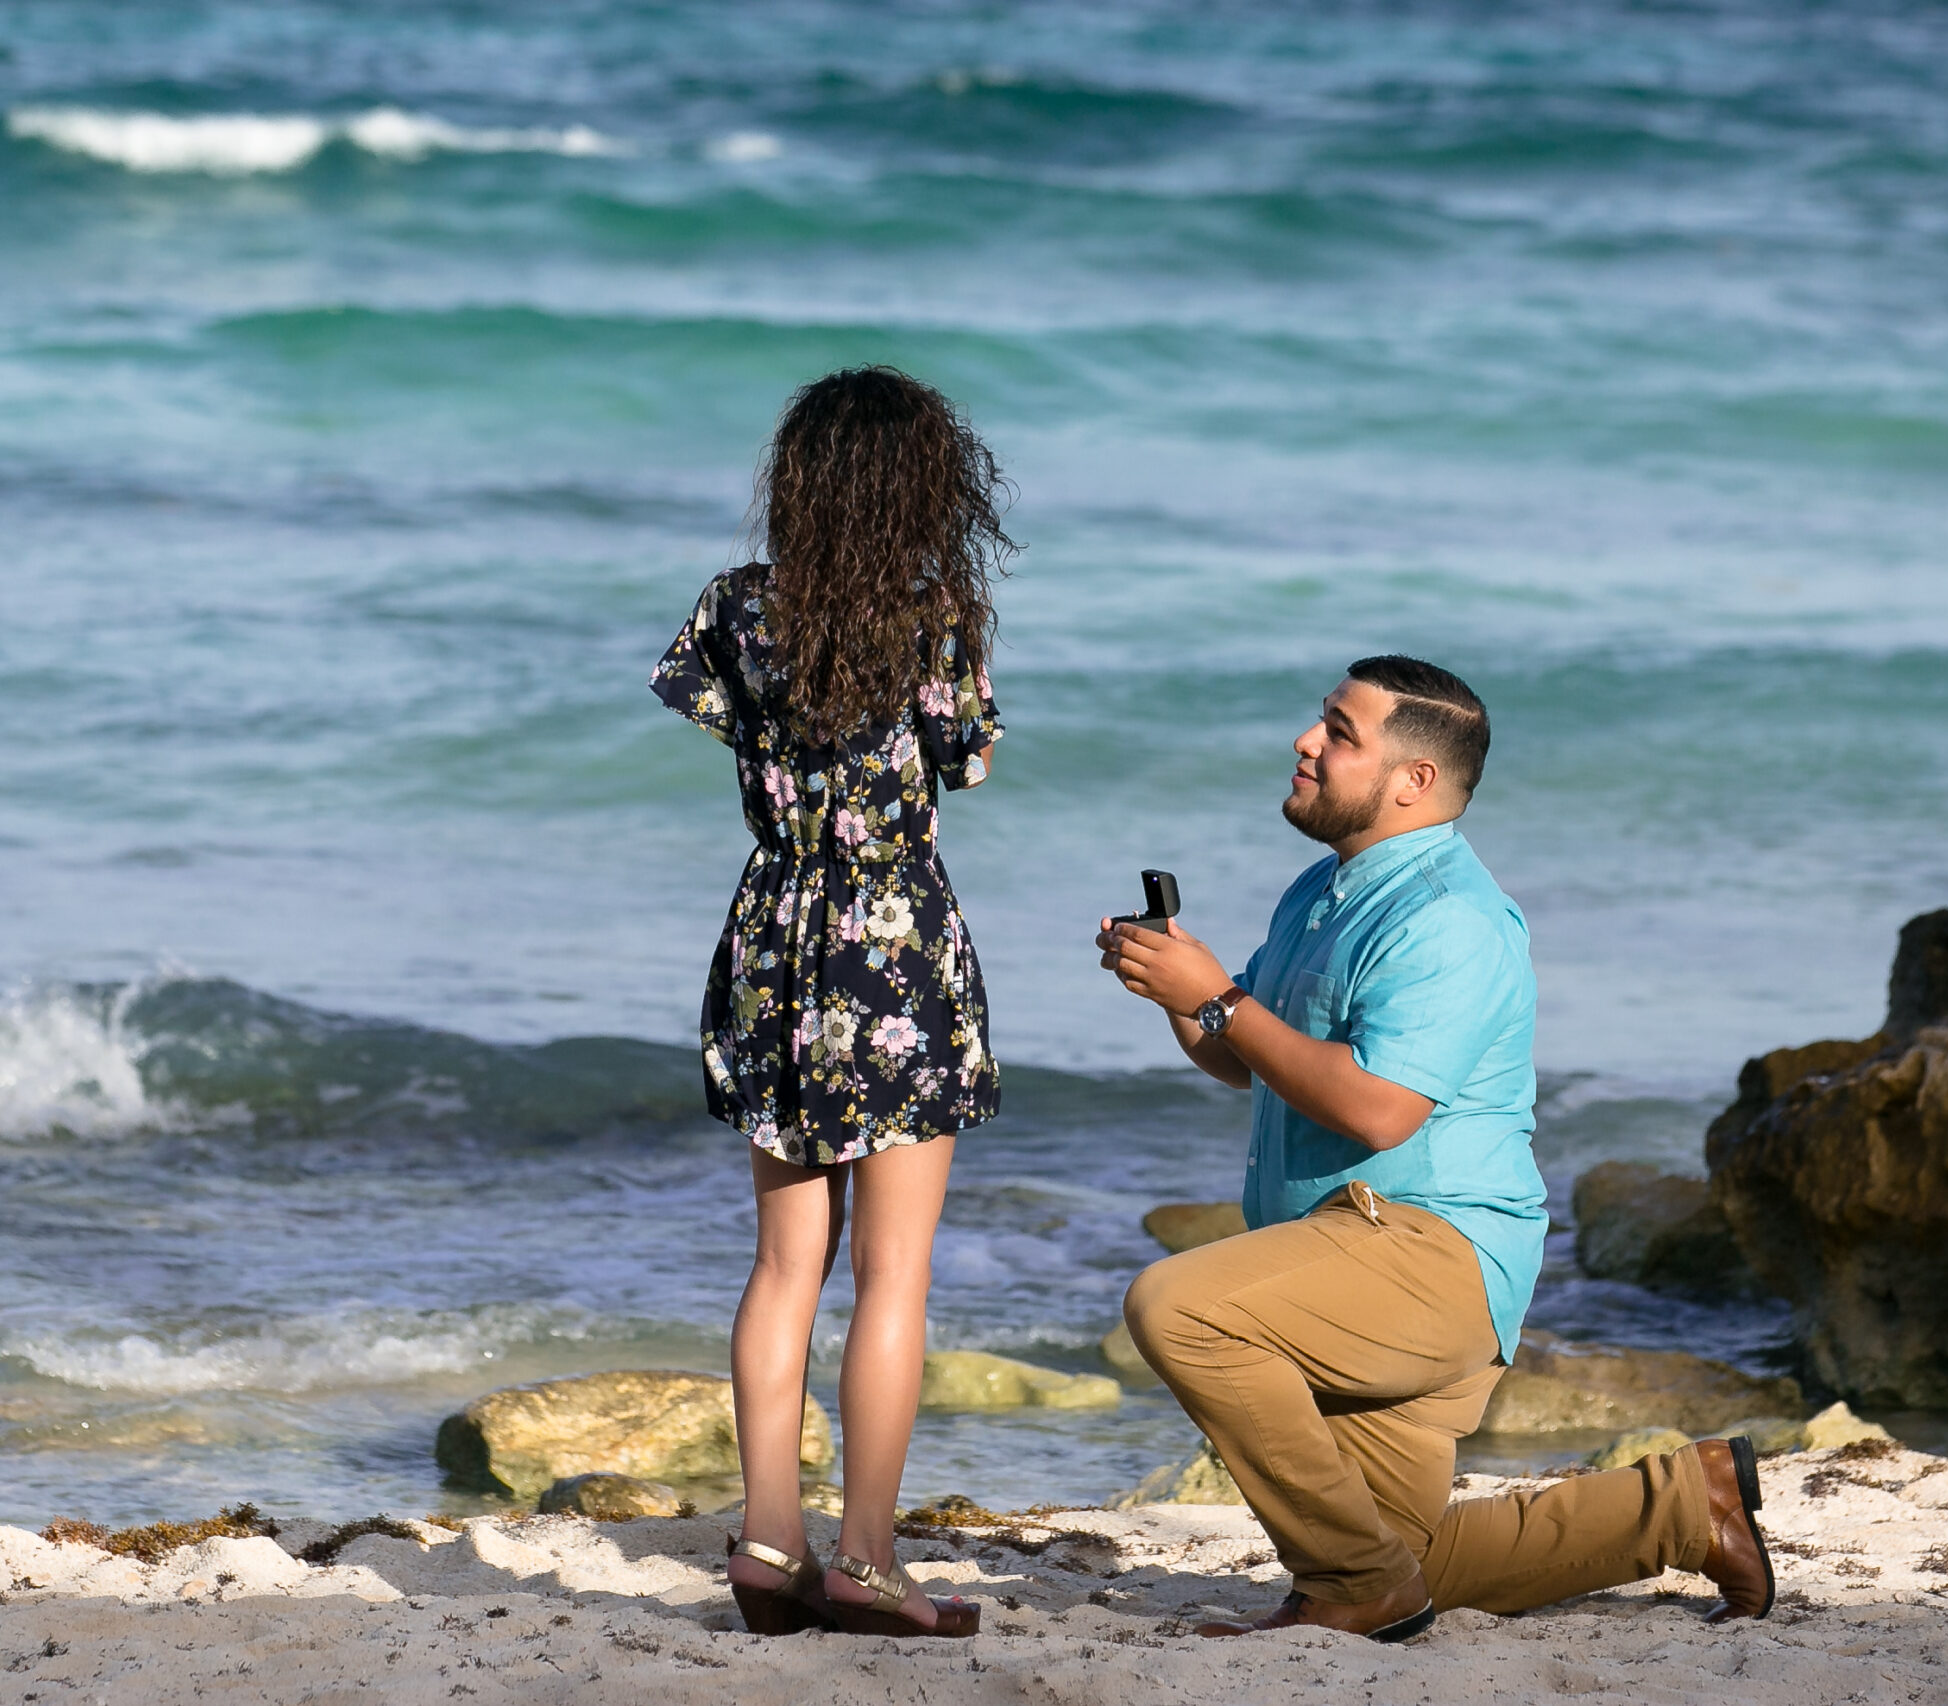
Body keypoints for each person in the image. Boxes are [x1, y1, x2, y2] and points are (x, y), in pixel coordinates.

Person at [1097, 656, 1773, 1641]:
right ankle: (1685, 1503)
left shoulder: (1449, 918)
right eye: (1318, 722)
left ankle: (1348, 1589)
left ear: (1412, 779)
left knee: (1176, 1306)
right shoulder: (1321, 889)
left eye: (1338, 730)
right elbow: (1246, 1057)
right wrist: (1176, 985)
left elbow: (1377, 1111)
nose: (1305, 741)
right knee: (1404, 1558)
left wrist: (1217, 996)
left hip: (1428, 1255)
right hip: (1339, 1264)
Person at [652, 366, 1014, 1639]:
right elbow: (963, 758)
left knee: (782, 1262)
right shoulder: (937, 618)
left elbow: (705, 704)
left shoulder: (735, 608)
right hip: (894, 937)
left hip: (775, 930)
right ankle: (866, 1558)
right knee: (893, 1271)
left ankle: (765, 1540)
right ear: (924, 485)